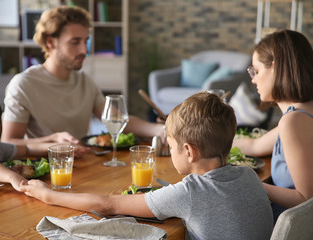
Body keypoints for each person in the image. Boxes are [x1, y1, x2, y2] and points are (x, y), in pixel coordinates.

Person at [20, 92, 273, 240]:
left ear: (189, 151)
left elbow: (108, 205)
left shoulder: (189, 191)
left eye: (171, 147)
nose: (171, 152)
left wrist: (48, 194)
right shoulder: (250, 176)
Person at [1, 6, 164, 147]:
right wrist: (52, 140)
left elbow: (117, 120)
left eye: (85, 41)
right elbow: (8, 142)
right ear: (50, 42)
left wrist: (159, 130)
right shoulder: (24, 84)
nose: (84, 50)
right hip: (45, 170)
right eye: (75, 42)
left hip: (81, 162)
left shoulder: (84, 81)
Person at [233, 29, 313, 221]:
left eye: (256, 70)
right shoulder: (302, 114)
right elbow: (254, 145)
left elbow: (306, 200)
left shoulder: (293, 121)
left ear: (275, 67)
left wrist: (247, 183)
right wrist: (213, 141)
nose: (253, 79)